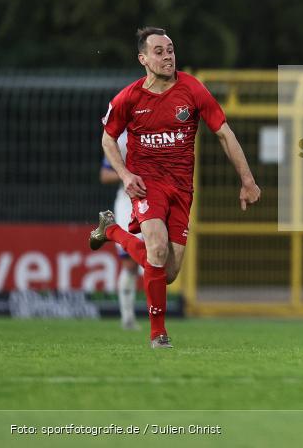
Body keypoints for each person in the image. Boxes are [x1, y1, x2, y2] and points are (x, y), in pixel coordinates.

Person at [89, 27, 261, 348]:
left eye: (170, 50)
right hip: (146, 184)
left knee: (168, 272)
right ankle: (158, 334)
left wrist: (247, 180)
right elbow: (108, 138)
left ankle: (111, 231)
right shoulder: (129, 98)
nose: (167, 56)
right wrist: (126, 176)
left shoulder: (193, 90)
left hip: (181, 188)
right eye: (159, 51)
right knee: (155, 248)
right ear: (143, 58)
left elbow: (224, 133)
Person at [99, 130, 141, 330]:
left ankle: (158, 317)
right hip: (128, 203)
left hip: (157, 202)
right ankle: (128, 317)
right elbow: (105, 175)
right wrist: (126, 174)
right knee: (130, 262)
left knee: (158, 259)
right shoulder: (121, 140)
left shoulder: (161, 134)